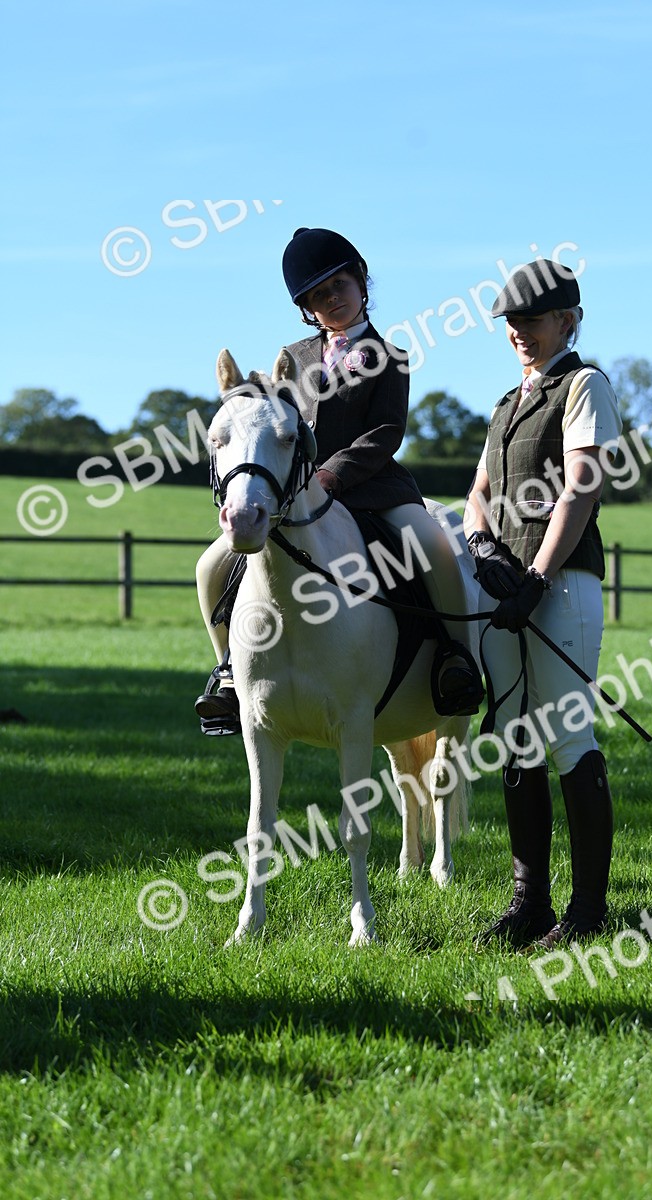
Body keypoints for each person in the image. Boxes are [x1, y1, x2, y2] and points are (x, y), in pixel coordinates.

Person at [195, 226, 483, 734]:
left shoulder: (388, 357)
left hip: (373, 488)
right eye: (319, 297)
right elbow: (265, 419)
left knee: (433, 544)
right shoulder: (293, 357)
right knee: (210, 566)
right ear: (307, 308)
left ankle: (453, 657)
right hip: (297, 496)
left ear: (361, 283)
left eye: (339, 287)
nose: (332, 301)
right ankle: (228, 671)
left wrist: (332, 473)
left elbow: (386, 431)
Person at [464, 258, 622, 950]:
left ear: (568, 320)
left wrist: (536, 575)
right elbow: (479, 493)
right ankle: (530, 904)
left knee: (566, 736)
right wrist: (481, 548)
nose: (519, 333)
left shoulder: (584, 385)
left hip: (562, 587)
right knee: (513, 738)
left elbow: (581, 488)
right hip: (505, 594)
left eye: (530, 320)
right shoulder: (506, 404)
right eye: (511, 323)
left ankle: (587, 911)